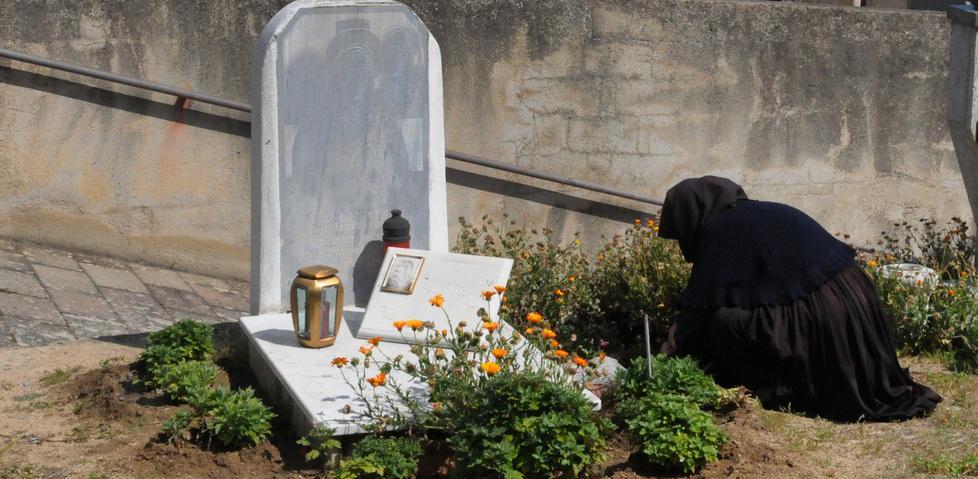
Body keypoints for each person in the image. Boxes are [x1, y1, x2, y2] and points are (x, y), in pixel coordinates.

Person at [657, 176, 941, 421]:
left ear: (690, 215)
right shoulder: (762, 212)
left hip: (825, 316)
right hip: (855, 302)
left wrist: (667, 356)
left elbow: (700, 308)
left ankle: (777, 383)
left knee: (723, 321)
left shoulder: (720, 231)